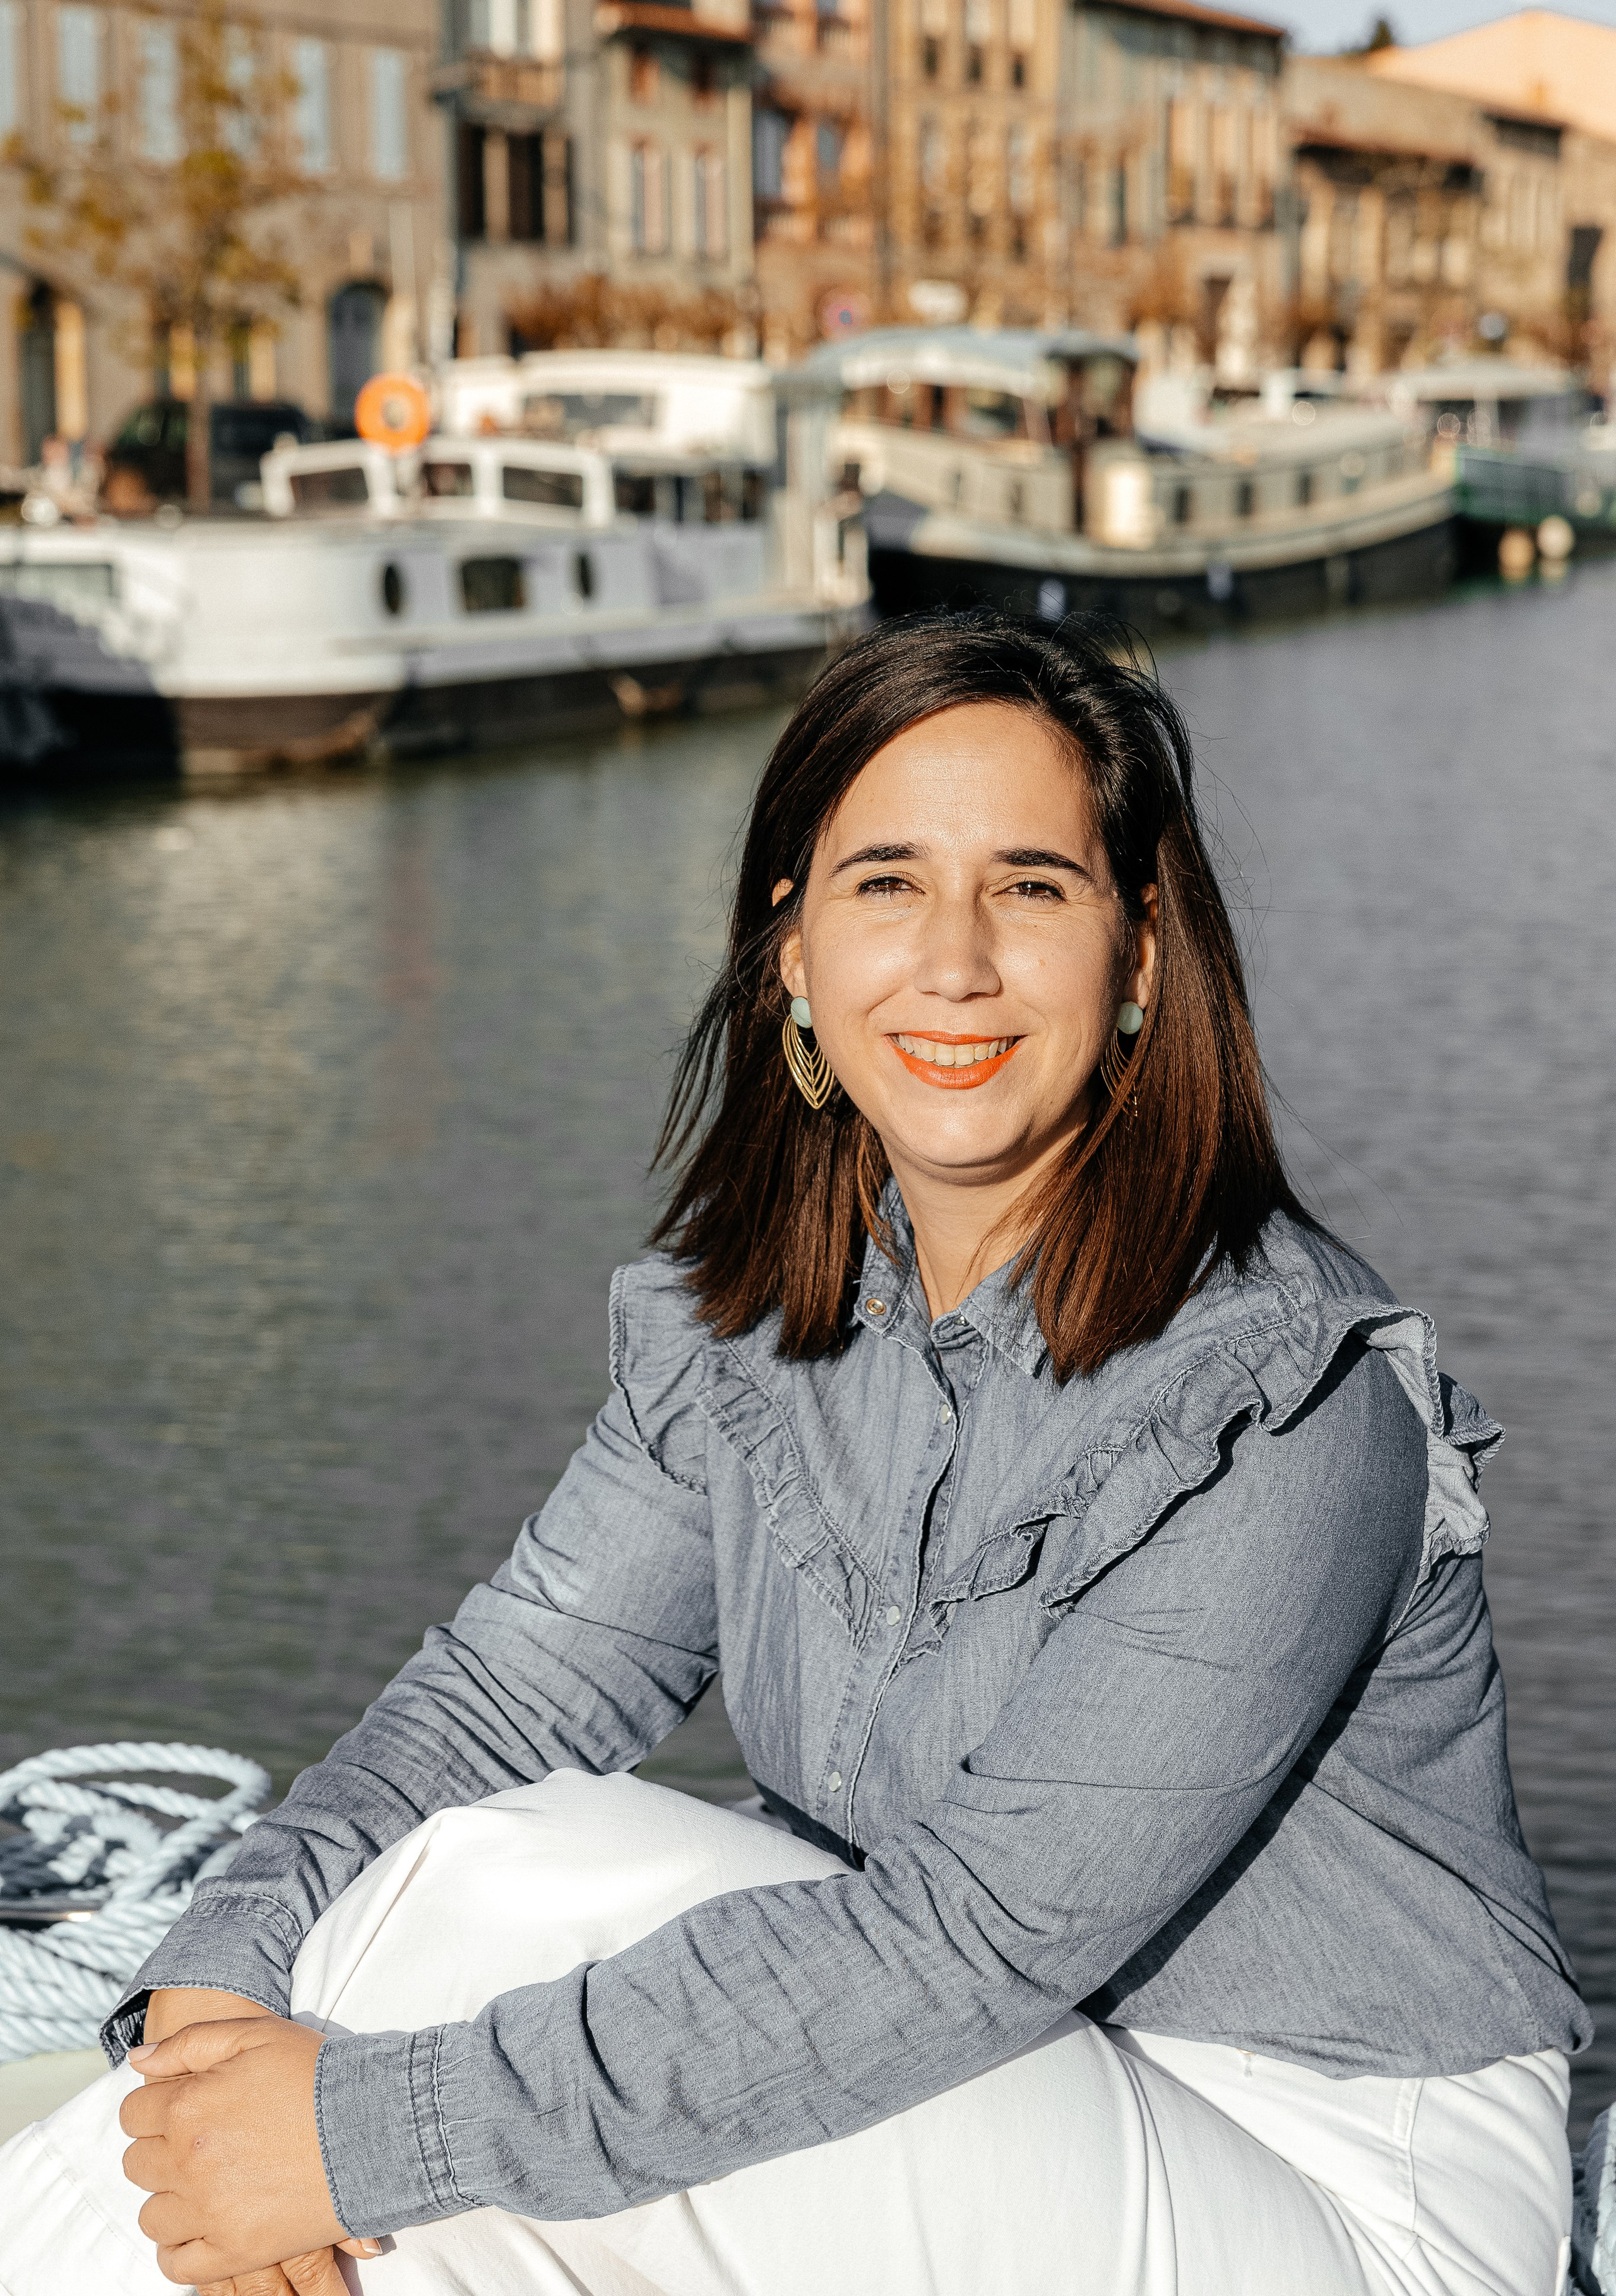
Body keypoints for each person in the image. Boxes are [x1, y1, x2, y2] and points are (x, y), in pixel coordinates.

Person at [0, 615, 1587, 2296]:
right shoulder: (757, 1330)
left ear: (1136, 962)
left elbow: (974, 1939)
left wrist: (354, 2131)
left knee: (509, 1900)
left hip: (1339, 2190)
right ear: (793, 954)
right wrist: (213, 1983)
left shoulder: (1284, 1400)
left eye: (1033, 888)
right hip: (1000, 2094)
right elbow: (498, 1705)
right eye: (886, 884)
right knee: (422, 2141)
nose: (954, 962)